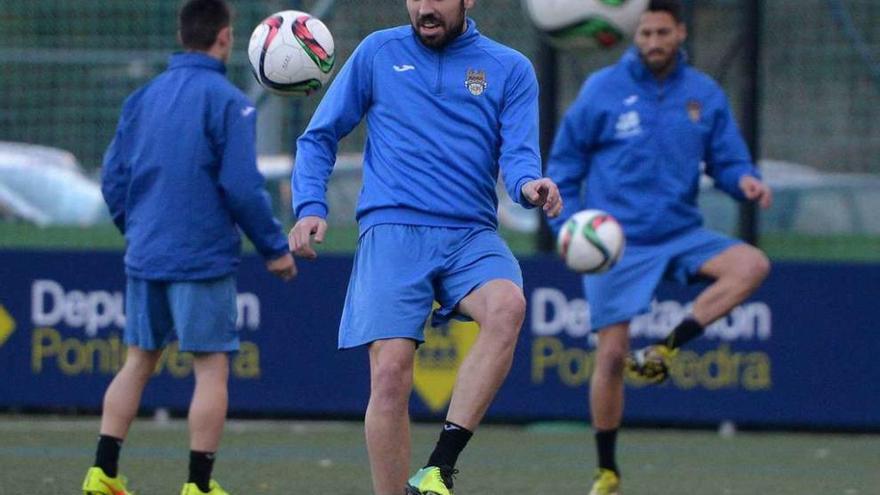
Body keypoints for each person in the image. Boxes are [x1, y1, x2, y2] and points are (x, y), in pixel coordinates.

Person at [289, 0, 562, 493]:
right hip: (392, 229)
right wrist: (310, 205)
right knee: (391, 373)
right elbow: (318, 137)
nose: (425, 7)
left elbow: (520, 157)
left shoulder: (510, 68)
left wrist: (530, 186)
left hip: (471, 234)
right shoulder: (377, 53)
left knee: (508, 306)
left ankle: (439, 467)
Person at [545, 1, 772, 493]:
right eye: (644, 33)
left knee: (750, 265)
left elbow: (728, 161)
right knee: (610, 358)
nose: (652, 41)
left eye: (661, 33)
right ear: (635, 34)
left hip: (681, 233)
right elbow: (564, 166)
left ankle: (666, 347)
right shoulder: (602, 90)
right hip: (616, 242)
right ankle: (607, 469)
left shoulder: (703, 94)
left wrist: (746, 182)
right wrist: (570, 224)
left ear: (680, 33)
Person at [81, 1, 296, 494]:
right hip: (201, 258)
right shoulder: (230, 102)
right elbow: (242, 186)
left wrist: (138, 230)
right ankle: (198, 485)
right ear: (224, 38)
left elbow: (114, 180)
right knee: (211, 368)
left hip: (146, 253)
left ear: (183, 36)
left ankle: (102, 472)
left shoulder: (142, 98)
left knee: (137, 361)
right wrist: (273, 248)